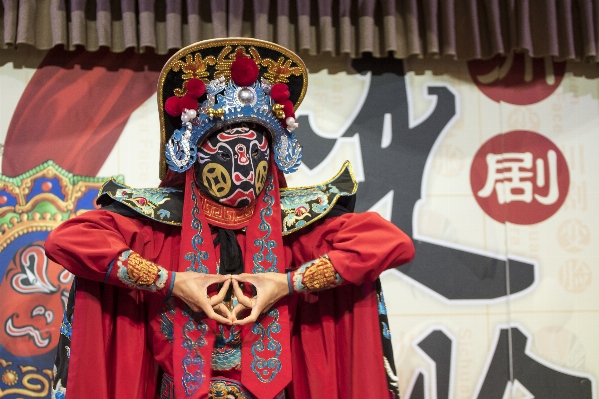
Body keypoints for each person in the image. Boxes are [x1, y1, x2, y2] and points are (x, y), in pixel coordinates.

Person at [45, 38, 415, 399]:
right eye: (227, 150)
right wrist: (170, 281)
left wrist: (288, 284)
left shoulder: (297, 224)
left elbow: (388, 243)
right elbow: (69, 240)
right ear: (196, 155)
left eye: (255, 151)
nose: (243, 166)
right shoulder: (157, 222)